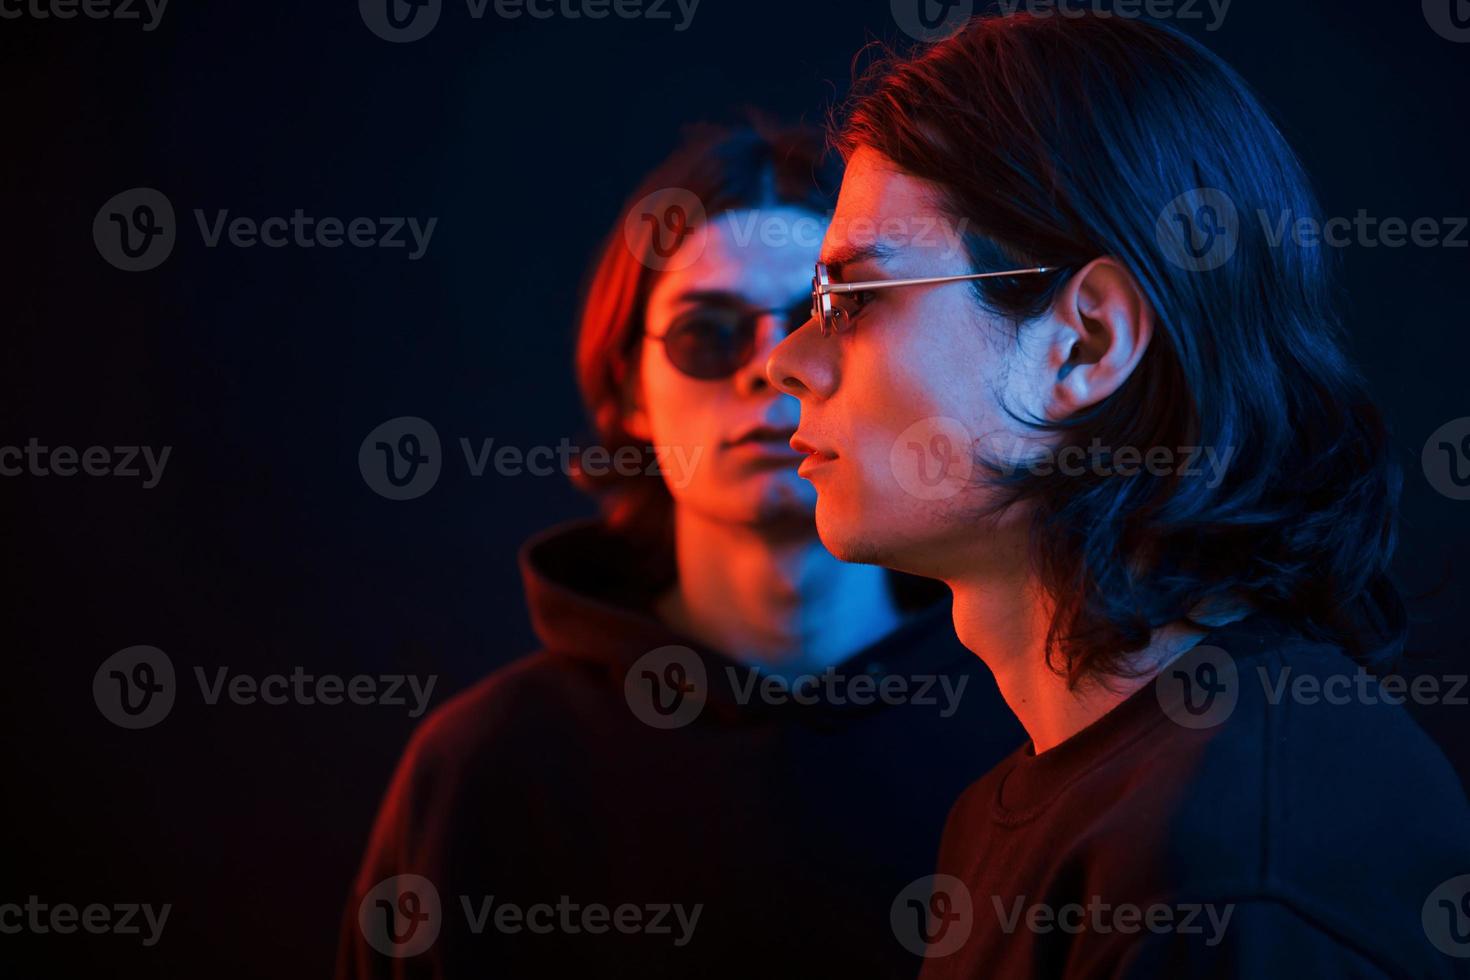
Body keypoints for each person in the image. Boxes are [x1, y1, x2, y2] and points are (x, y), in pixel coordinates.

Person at [767, 14, 1470, 977]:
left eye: (851, 299)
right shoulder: (1046, 809)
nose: (785, 360)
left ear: (1085, 345)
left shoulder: (1236, 867)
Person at [336, 121, 1023, 979]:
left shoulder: (1028, 725)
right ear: (627, 389)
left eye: (831, 313)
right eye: (708, 331)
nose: (776, 366)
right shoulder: (489, 769)